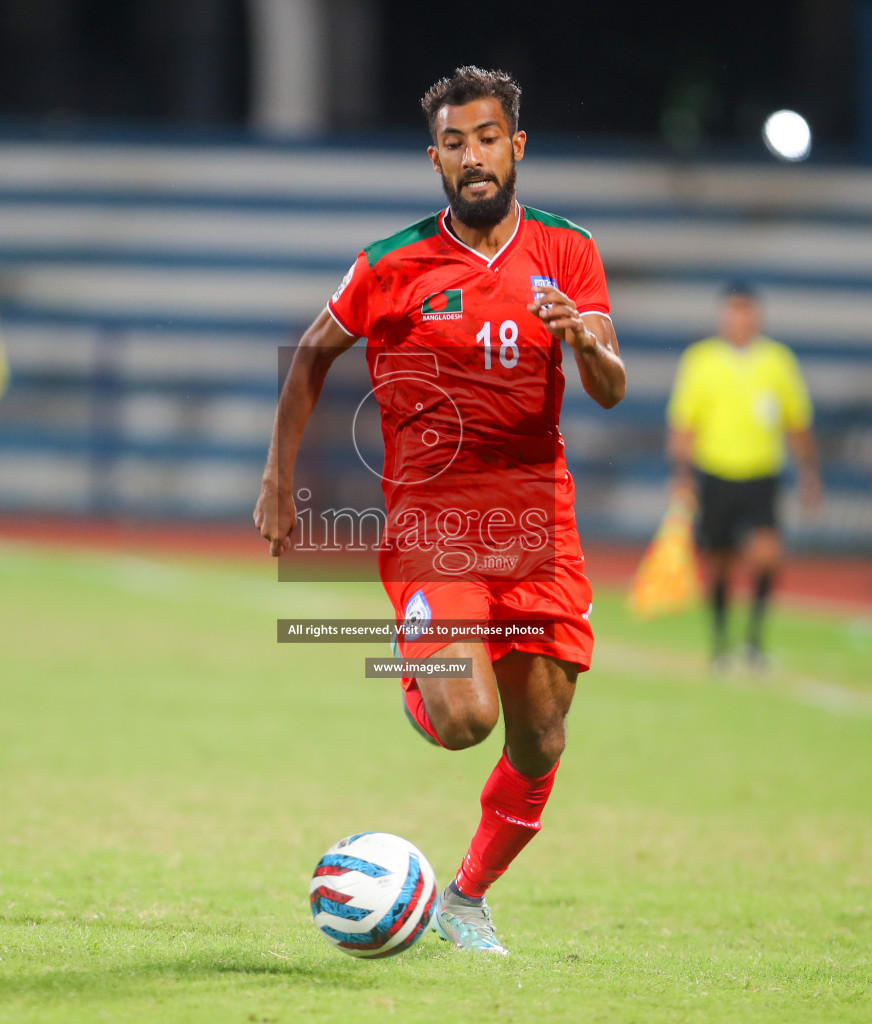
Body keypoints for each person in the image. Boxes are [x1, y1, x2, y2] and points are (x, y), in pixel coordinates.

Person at [254, 66, 625, 954]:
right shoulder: (393, 263)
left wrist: (581, 338)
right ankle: (423, 668)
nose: (474, 157)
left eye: (488, 138)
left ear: (516, 146)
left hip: (538, 525)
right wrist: (278, 476)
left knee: (540, 739)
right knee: (467, 720)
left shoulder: (568, 251)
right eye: (455, 144)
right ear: (436, 160)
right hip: (436, 521)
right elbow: (311, 354)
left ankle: (465, 898)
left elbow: (610, 388)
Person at [667, 283, 822, 673]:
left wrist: (810, 474)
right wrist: (682, 475)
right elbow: (684, 424)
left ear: (756, 315)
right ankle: (721, 643)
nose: (738, 318)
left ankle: (754, 640)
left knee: (767, 556)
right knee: (718, 561)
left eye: (745, 311)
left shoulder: (778, 361)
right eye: (732, 311)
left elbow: (797, 423)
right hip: (716, 473)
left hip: (761, 474)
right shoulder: (701, 360)